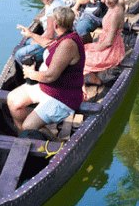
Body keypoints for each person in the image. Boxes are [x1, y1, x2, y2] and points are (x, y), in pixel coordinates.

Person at [7, 7, 85, 135]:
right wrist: (31, 34)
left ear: (55, 24)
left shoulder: (68, 44)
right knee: (13, 100)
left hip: (63, 97)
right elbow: (50, 44)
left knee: (29, 126)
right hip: (49, 88)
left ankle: (52, 144)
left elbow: (50, 76)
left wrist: (31, 73)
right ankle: (26, 136)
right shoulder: (64, 36)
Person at [83, 0, 126, 85]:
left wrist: (96, 49)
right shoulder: (116, 5)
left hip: (112, 49)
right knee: (83, 49)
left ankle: (95, 79)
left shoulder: (115, 14)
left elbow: (109, 41)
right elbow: (107, 0)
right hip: (107, 42)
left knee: (83, 57)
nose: (107, 1)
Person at [14, 0, 64, 66]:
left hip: (54, 45)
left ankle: (30, 74)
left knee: (18, 54)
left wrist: (32, 35)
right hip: (55, 40)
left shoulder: (53, 9)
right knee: (27, 42)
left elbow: (49, 36)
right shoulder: (55, 2)